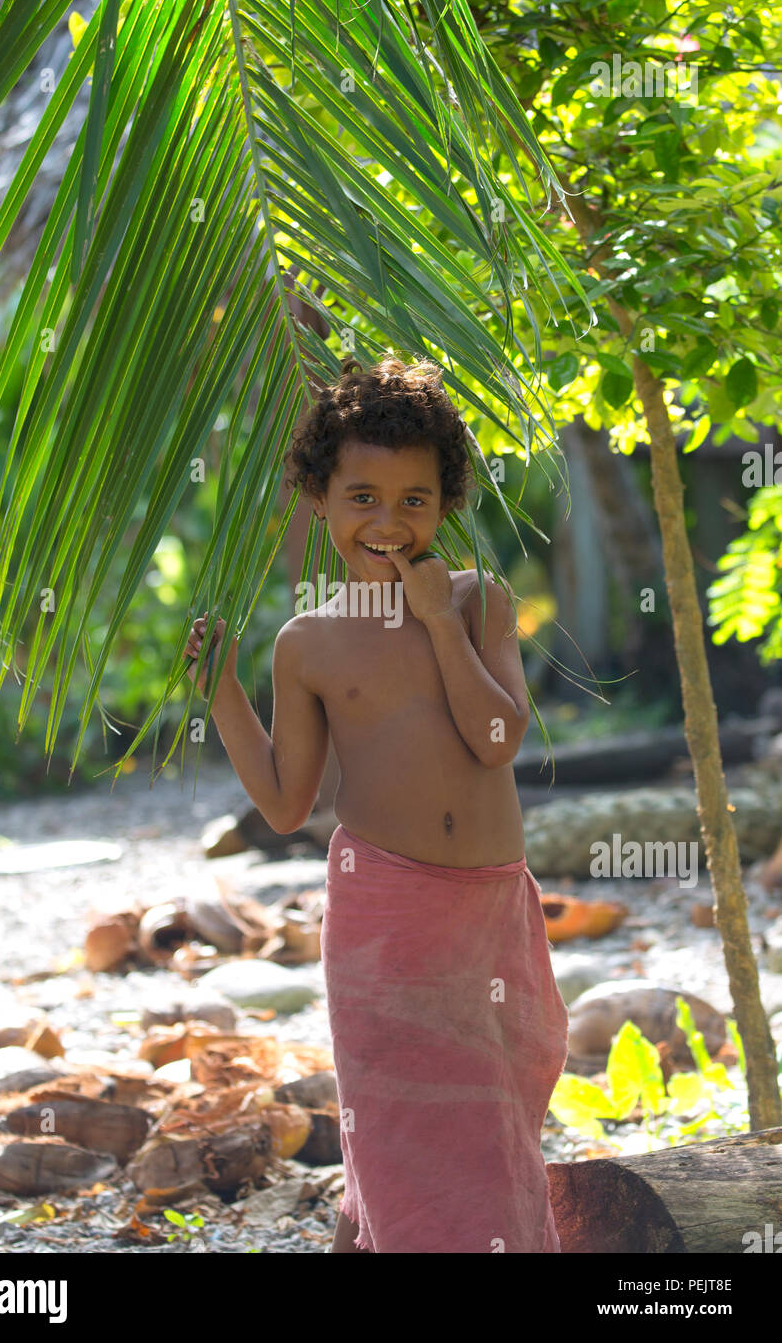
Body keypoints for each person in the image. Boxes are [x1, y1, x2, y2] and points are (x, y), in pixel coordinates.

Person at [183, 355, 569, 1253]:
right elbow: (287, 804)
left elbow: (498, 738)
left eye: (413, 500)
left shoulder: (479, 602)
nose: (388, 522)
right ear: (319, 499)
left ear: (446, 505)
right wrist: (224, 694)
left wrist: (437, 623)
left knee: (495, 1107)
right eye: (363, 498)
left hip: (489, 909)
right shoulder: (308, 644)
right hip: (384, 913)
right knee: (402, 1116)